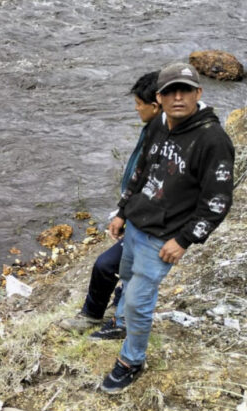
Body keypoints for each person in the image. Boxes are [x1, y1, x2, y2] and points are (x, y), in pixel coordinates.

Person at [101, 63, 234, 394]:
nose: (179, 97)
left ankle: (132, 361)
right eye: (171, 91)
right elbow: (141, 171)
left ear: (198, 94)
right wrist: (122, 211)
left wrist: (184, 240)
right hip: (135, 223)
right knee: (126, 280)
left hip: (163, 239)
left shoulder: (213, 140)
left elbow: (217, 202)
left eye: (186, 90)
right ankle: (120, 325)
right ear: (159, 97)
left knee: (138, 301)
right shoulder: (159, 123)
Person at [60, 71, 161, 339]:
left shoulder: (166, 137)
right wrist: (123, 211)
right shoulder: (153, 129)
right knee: (115, 267)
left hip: (153, 224)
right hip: (138, 216)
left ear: (156, 104)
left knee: (111, 266)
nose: (136, 107)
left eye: (139, 103)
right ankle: (104, 312)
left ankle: (112, 322)